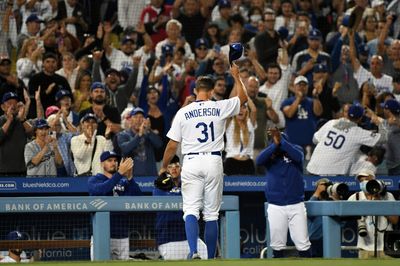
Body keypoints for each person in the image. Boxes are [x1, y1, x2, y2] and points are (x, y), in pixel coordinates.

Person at [159, 61, 248, 259]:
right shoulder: (218, 106)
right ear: (210, 91)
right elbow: (243, 98)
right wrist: (236, 76)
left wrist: (164, 166)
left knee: (190, 210)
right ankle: (209, 257)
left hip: (190, 161)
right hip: (213, 161)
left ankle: (193, 252)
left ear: (195, 90)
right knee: (211, 214)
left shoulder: (183, 112)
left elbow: (172, 146)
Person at [255, 128, 311, 258]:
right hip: (276, 206)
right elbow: (259, 161)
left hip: (296, 204)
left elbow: (298, 156)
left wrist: (281, 142)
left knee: (303, 243)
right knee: (277, 245)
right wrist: (275, 145)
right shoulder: (269, 154)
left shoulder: (296, 149)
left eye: (280, 139)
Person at [88, 151, 141, 260]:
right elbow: (103, 189)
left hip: (122, 234)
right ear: (102, 164)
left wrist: (130, 178)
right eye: (109, 160)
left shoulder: (123, 182)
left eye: (116, 160)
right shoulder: (95, 179)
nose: (113, 163)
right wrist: (119, 174)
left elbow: (138, 198)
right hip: (101, 234)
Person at [153, 155, 208, 260]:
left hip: (189, 237)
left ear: (181, 169)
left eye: (177, 166)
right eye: (170, 166)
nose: (174, 168)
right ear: (165, 169)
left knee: (206, 254)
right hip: (169, 239)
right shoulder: (160, 186)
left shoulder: (187, 184)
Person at [307, 104, 385, 176]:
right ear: (361, 118)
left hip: (312, 169)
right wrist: (379, 121)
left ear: (347, 114)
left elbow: (314, 140)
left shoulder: (332, 122)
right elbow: (384, 138)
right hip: (333, 175)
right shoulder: (358, 132)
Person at [348, 169, 399, 259]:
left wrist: (379, 202)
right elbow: (344, 216)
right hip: (365, 247)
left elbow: (395, 220)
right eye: (361, 181)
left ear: (374, 180)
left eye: (366, 179)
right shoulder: (355, 197)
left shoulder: (387, 196)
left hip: (386, 247)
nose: (363, 182)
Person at [117, 107, 163, 176]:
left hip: (150, 177)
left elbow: (159, 145)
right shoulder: (123, 135)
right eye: (135, 117)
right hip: (132, 177)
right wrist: (139, 135)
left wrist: (149, 131)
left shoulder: (149, 134)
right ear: (130, 120)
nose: (138, 120)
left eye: (141, 117)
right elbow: (125, 149)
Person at [0, 92, 32, 176]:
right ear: (3, 107)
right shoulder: (1, 120)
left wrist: (23, 119)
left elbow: (32, 135)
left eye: (15, 103)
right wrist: (9, 120)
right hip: (4, 171)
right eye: (9, 103)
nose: (13, 106)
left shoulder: (22, 121)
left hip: (22, 170)